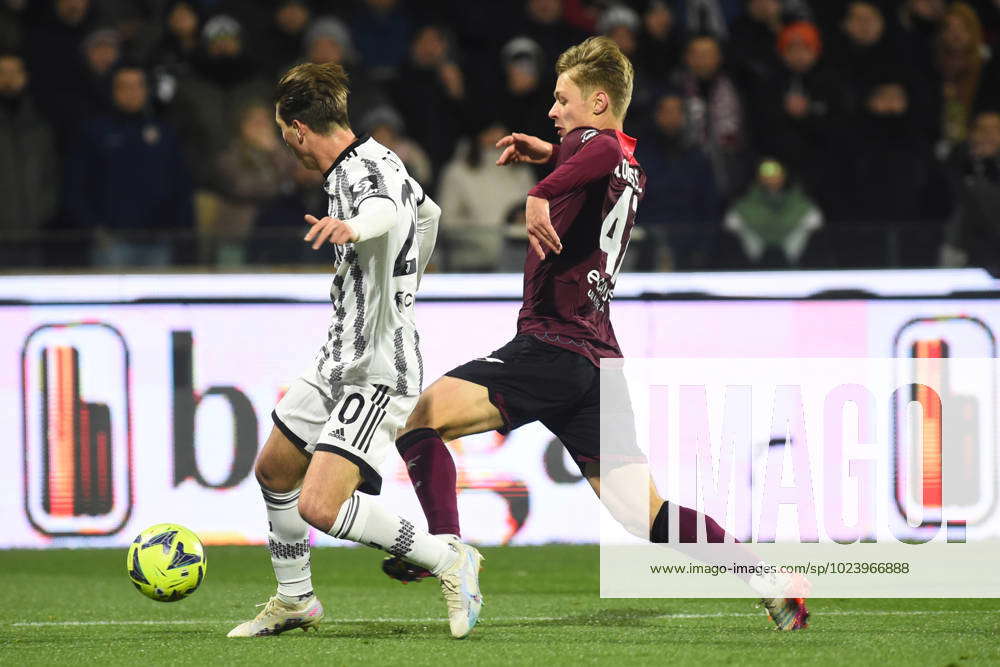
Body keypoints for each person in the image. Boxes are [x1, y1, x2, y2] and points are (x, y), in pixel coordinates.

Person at [382, 36, 809, 631]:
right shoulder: (629, 161)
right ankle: (762, 577)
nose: (552, 112)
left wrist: (540, 191)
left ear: (599, 101)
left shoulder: (597, 144)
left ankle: (446, 553)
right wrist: (552, 161)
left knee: (423, 418)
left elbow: (593, 151)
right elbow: (602, 161)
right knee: (644, 513)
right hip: (596, 360)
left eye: (562, 101)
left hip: (551, 346)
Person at [226, 61, 483, 640]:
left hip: (376, 366)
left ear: (295, 130)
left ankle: (450, 559)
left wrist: (357, 230)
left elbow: (385, 210)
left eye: (283, 133)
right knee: (274, 469)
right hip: (337, 357)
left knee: (319, 507)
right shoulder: (376, 160)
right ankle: (296, 599)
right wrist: (405, 279)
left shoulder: (364, 170)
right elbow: (426, 211)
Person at [63, 64, 192, 267]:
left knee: (157, 299)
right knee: (111, 298)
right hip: (111, 241)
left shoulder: (163, 131)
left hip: (158, 240)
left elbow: (180, 183)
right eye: (125, 87)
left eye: (138, 86)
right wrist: (93, 228)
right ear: (113, 91)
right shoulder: (94, 132)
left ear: (146, 90)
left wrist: (177, 228)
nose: (132, 93)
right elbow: (76, 184)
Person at [723, 158, 823, 267]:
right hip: (754, 264)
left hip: (793, 264)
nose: (771, 181)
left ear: (783, 177)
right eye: (767, 178)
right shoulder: (745, 205)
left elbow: (816, 222)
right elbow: (730, 223)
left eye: (775, 177)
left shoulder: (801, 203)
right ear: (759, 179)